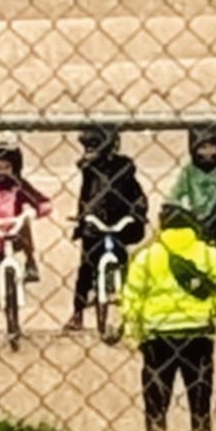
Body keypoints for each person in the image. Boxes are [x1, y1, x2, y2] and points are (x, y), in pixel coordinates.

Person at [121, 200, 216, 431]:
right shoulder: (208, 254)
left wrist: (132, 332)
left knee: (156, 398)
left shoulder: (147, 256)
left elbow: (132, 296)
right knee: (200, 398)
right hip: (197, 333)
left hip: (157, 335)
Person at [67, 125, 149, 332]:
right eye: (87, 147)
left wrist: (138, 213)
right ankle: (77, 312)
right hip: (95, 223)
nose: (88, 151)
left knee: (125, 265)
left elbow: (137, 195)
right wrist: (82, 219)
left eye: (94, 146)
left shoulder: (124, 168)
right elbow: (86, 197)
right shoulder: (89, 170)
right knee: (86, 268)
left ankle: (132, 309)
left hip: (120, 222)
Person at [0, 144, 51, 336]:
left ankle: (30, 262)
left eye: (7, 167)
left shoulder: (18, 185)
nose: (2, 173)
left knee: (25, 226)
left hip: (14, 232)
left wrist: (38, 209)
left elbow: (38, 199)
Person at [167, 126, 216, 253]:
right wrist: (172, 205)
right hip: (198, 213)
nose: (208, 152)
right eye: (203, 148)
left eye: (212, 147)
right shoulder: (189, 171)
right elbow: (175, 193)